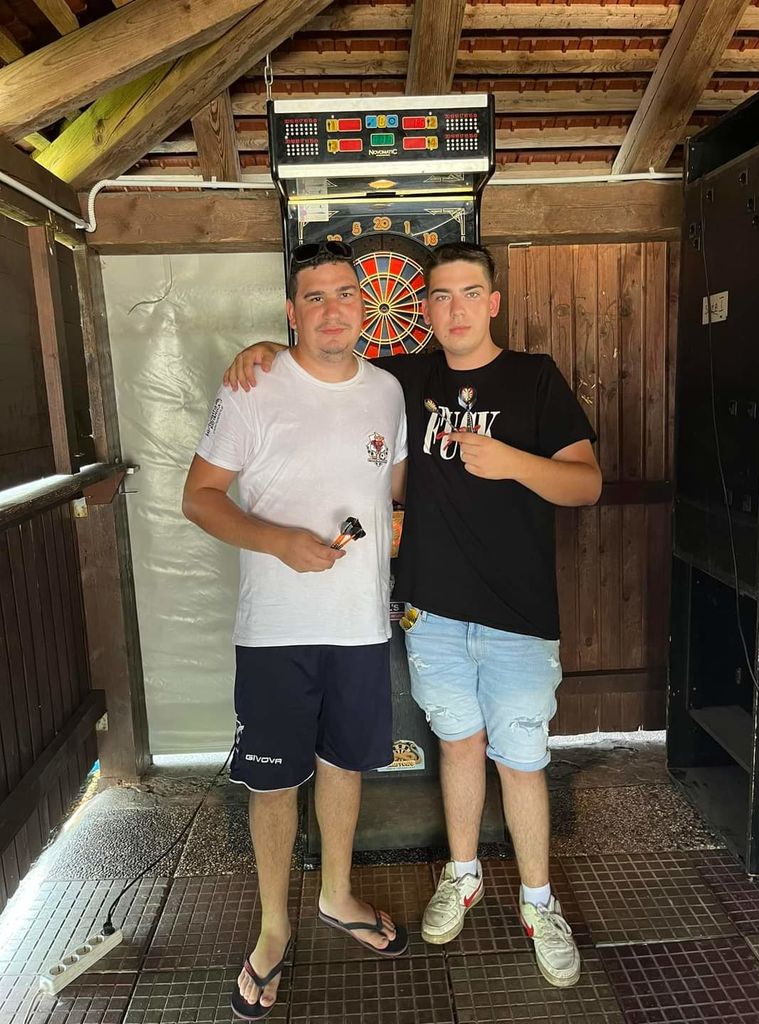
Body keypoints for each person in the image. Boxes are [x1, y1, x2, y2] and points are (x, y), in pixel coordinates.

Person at [222, 241, 602, 989]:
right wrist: (264, 349)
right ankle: (462, 876)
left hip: (520, 614)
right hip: (432, 611)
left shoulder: (535, 377)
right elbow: (324, 356)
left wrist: (512, 462)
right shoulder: (404, 379)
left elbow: (587, 484)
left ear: (493, 303)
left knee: (521, 759)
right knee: (458, 747)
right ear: (422, 309)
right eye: (441, 296)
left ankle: (539, 903)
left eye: (470, 293)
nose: (455, 309)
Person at [183, 241, 409, 1021]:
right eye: (314, 297)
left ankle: (337, 896)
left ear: (364, 306)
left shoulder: (388, 392)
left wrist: (397, 530)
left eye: (345, 293)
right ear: (291, 311)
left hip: (360, 624)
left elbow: (394, 485)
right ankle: (274, 927)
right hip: (275, 629)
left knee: (344, 763)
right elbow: (199, 497)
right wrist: (278, 540)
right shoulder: (254, 383)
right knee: (274, 781)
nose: (332, 309)